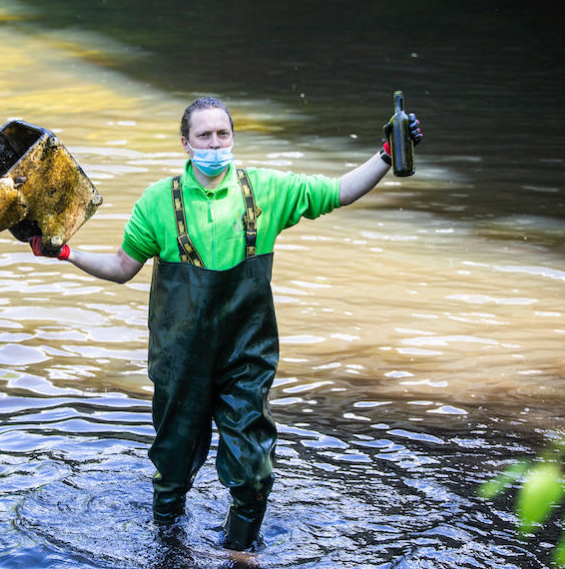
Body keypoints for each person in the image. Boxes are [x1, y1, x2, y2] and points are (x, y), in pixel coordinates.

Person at [27, 96, 422, 550]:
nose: (215, 144)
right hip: (180, 361)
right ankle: (168, 548)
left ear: (232, 137)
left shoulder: (267, 192)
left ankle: (237, 553)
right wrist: (65, 253)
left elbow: (339, 192)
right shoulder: (158, 201)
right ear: (185, 143)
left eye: (223, 134)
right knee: (172, 469)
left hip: (245, 359)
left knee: (254, 473)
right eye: (204, 136)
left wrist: (387, 156)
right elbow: (121, 267)